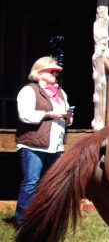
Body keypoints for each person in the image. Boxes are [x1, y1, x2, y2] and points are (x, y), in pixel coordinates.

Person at [15, 57, 72, 228]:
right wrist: (50, 114)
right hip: (33, 144)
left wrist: (68, 117)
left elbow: (66, 119)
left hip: (56, 145)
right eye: (51, 71)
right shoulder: (29, 90)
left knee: (51, 184)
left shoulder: (61, 93)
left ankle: (46, 219)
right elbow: (24, 115)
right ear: (39, 72)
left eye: (56, 71)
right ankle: (23, 221)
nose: (55, 74)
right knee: (31, 182)